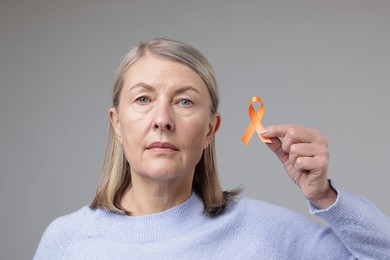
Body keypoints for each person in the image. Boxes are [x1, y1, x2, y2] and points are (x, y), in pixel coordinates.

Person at [34, 38, 390, 259]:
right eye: (143, 98)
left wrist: (325, 196)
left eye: (185, 102)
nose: (162, 119)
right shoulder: (68, 242)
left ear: (210, 129)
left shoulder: (266, 235)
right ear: (117, 123)